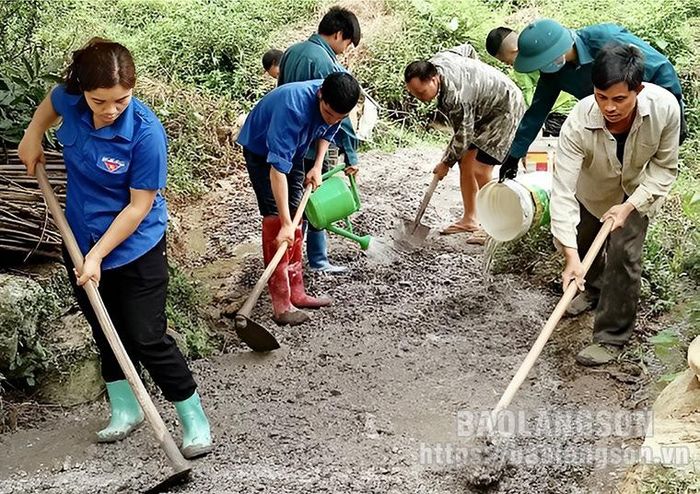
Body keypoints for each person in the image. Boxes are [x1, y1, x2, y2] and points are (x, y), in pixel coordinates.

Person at [17, 39, 211, 458]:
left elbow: (138, 207)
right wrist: (33, 133)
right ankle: (125, 409)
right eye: (99, 100)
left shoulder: (145, 134)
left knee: (146, 335)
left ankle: (192, 416)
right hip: (81, 237)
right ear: (83, 90)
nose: (109, 110)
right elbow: (50, 104)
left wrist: (98, 256)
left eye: (121, 99)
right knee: (104, 327)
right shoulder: (70, 100)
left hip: (135, 246)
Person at [550, 43, 680, 366]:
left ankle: (611, 337)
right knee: (582, 243)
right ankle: (590, 289)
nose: (609, 107)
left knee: (623, 256)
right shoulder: (578, 122)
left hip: (637, 191)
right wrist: (568, 257)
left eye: (619, 99)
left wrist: (629, 206)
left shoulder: (665, 110)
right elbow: (562, 189)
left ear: (639, 88)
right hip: (591, 189)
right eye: (601, 97)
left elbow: (664, 168)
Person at [236, 72, 360, 325]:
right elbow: (277, 170)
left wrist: (316, 166)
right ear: (320, 96)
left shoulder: (336, 104)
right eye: (328, 113)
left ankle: (298, 292)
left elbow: (329, 129)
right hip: (262, 152)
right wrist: (284, 223)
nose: (333, 119)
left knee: (298, 217)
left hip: (298, 148)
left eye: (340, 116)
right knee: (276, 221)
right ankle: (281, 304)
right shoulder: (292, 108)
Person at [499, 18, 686, 182]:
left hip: (643, 110)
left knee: (646, 173)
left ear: (556, 52)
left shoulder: (606, 39)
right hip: (609, 125)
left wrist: (674, 114)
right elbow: (537, 112)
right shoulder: (552, 73)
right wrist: (514, 155)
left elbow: (661, 67)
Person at [404, 43, 525, 241]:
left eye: (421, 92)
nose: (419, 98)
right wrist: (476, 80)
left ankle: (496, 225)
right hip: (482, 108)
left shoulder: (456, 98)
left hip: (505, 108)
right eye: (414, 93)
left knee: (480, 169)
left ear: (434, 79)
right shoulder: (439, 60)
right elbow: (467, 49)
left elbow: (463, 135)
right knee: (466, 162)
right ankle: (470, 219)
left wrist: (445, 163)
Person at [278, 6, 361, 273]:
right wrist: (352, 153)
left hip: (290, 141)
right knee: (315, 198)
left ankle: (292, 259)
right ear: (338, 34)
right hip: (314, 146)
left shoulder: (291, 51)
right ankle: (318, 260)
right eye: (348, 43)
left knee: (294, 200)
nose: (345, 49)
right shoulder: (327, 64)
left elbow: (282, 92)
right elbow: (340, 115)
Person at [486, 26, 577, 136]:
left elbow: (528, 92)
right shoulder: (542, 43)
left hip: (556, 114)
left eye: (506, 61)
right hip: (572, 106)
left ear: (514, 50)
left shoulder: (520, 66)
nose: (508, 65)